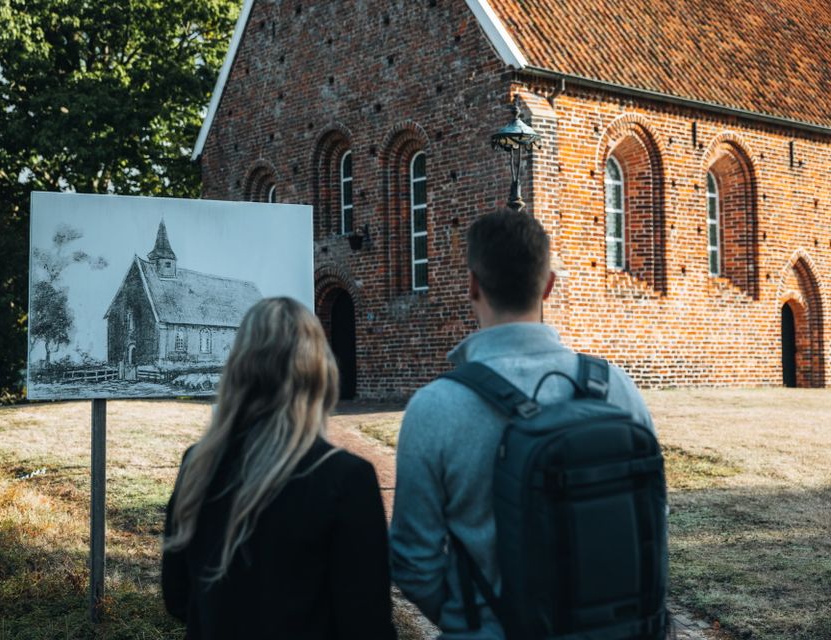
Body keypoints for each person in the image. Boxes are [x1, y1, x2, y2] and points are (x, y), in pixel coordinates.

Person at [389, 209, 655, 638]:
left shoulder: (436, 407)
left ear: (473, 284)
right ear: (548, 285)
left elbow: (413, 558)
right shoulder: (614, 387)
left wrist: (470, 621)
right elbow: (650, 514)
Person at [162, 297, 397, 640]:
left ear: (238, 370)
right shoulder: (347, 480)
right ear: (319, 372)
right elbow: (367, 625)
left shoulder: (197, 465)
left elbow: (177, 599)